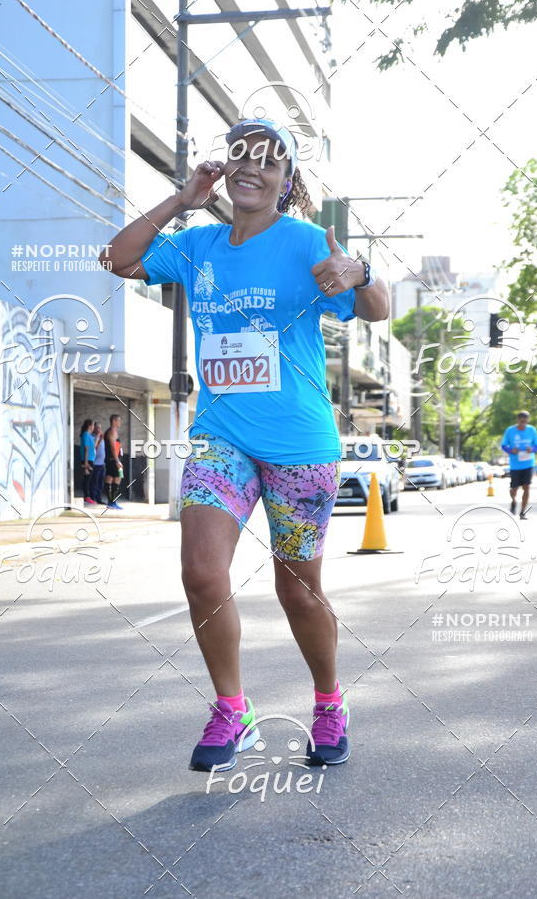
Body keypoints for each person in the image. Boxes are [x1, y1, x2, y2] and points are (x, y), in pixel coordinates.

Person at [100, 118, 389, 770]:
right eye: (239, 157)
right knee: (202, 572)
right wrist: (181, 198)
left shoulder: (308, 242)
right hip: (220, 437)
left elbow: (379, 308)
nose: (250, 167)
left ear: (285, 180)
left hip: (299, 446)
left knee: (298, 589)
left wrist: (360, 270)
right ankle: (234, 712)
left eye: (267, 160)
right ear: (225, 170)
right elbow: (116, 259)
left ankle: (329, 703)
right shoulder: (197, 245)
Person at [501, 410, 537, 519]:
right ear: (518, 420)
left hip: (528, 464)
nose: (523, 424)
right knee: (514, 489)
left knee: (526, 488)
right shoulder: (510, 431)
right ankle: (513, 501)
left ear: (527, 421)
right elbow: (504, 445)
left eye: (525, 422)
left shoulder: (532, 430)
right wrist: (511, 450)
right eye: (521, 421)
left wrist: (531, 449)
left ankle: (523, 512)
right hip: (515, 465)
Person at [104, 414, 124, 510]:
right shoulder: (111, 432)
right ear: (114, 421)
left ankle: (111, 502)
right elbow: (112, 448)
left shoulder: (114, 431)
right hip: (113, 460)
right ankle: (112, 502)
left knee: (110, 478)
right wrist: (117, 460)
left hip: (113, 459)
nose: (120, 423)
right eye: (119, 421)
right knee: (117, 478)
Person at [79, 418, 96, 505]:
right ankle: (87, 497)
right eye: (93, 425)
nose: (94, 427)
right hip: (87, 460)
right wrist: (85, 463)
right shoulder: (85, 434)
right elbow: (86, 448)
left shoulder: (90, 435)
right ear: (89, 426)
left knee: (89, 479)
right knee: (87, 479)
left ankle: (88, 496)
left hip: (91, 460)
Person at [90, 422, 106, 503]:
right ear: (94, 428)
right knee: (94, 482)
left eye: (100, 428)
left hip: (102, 463)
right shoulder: (93, 437)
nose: (99, 429)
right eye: (97, 427)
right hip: (95, 463)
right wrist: (99, 438)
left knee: (100, 483)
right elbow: (94, 448)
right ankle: (92, 498)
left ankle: (99, 499)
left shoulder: (102, 438)